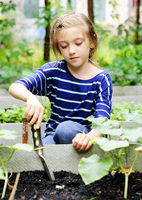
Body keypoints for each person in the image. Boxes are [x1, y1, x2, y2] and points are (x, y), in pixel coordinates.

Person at [9, 12, 112, 152]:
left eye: (78, 43)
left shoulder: (101, 79)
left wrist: (88, 137)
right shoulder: (54, 72)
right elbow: (15, 87)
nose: (71, 51)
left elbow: (102, 119)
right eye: (64, 46)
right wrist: (30, 98)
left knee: (66, 129)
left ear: (92, 41)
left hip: (88, 139)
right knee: (43, 152)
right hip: (53, 136)